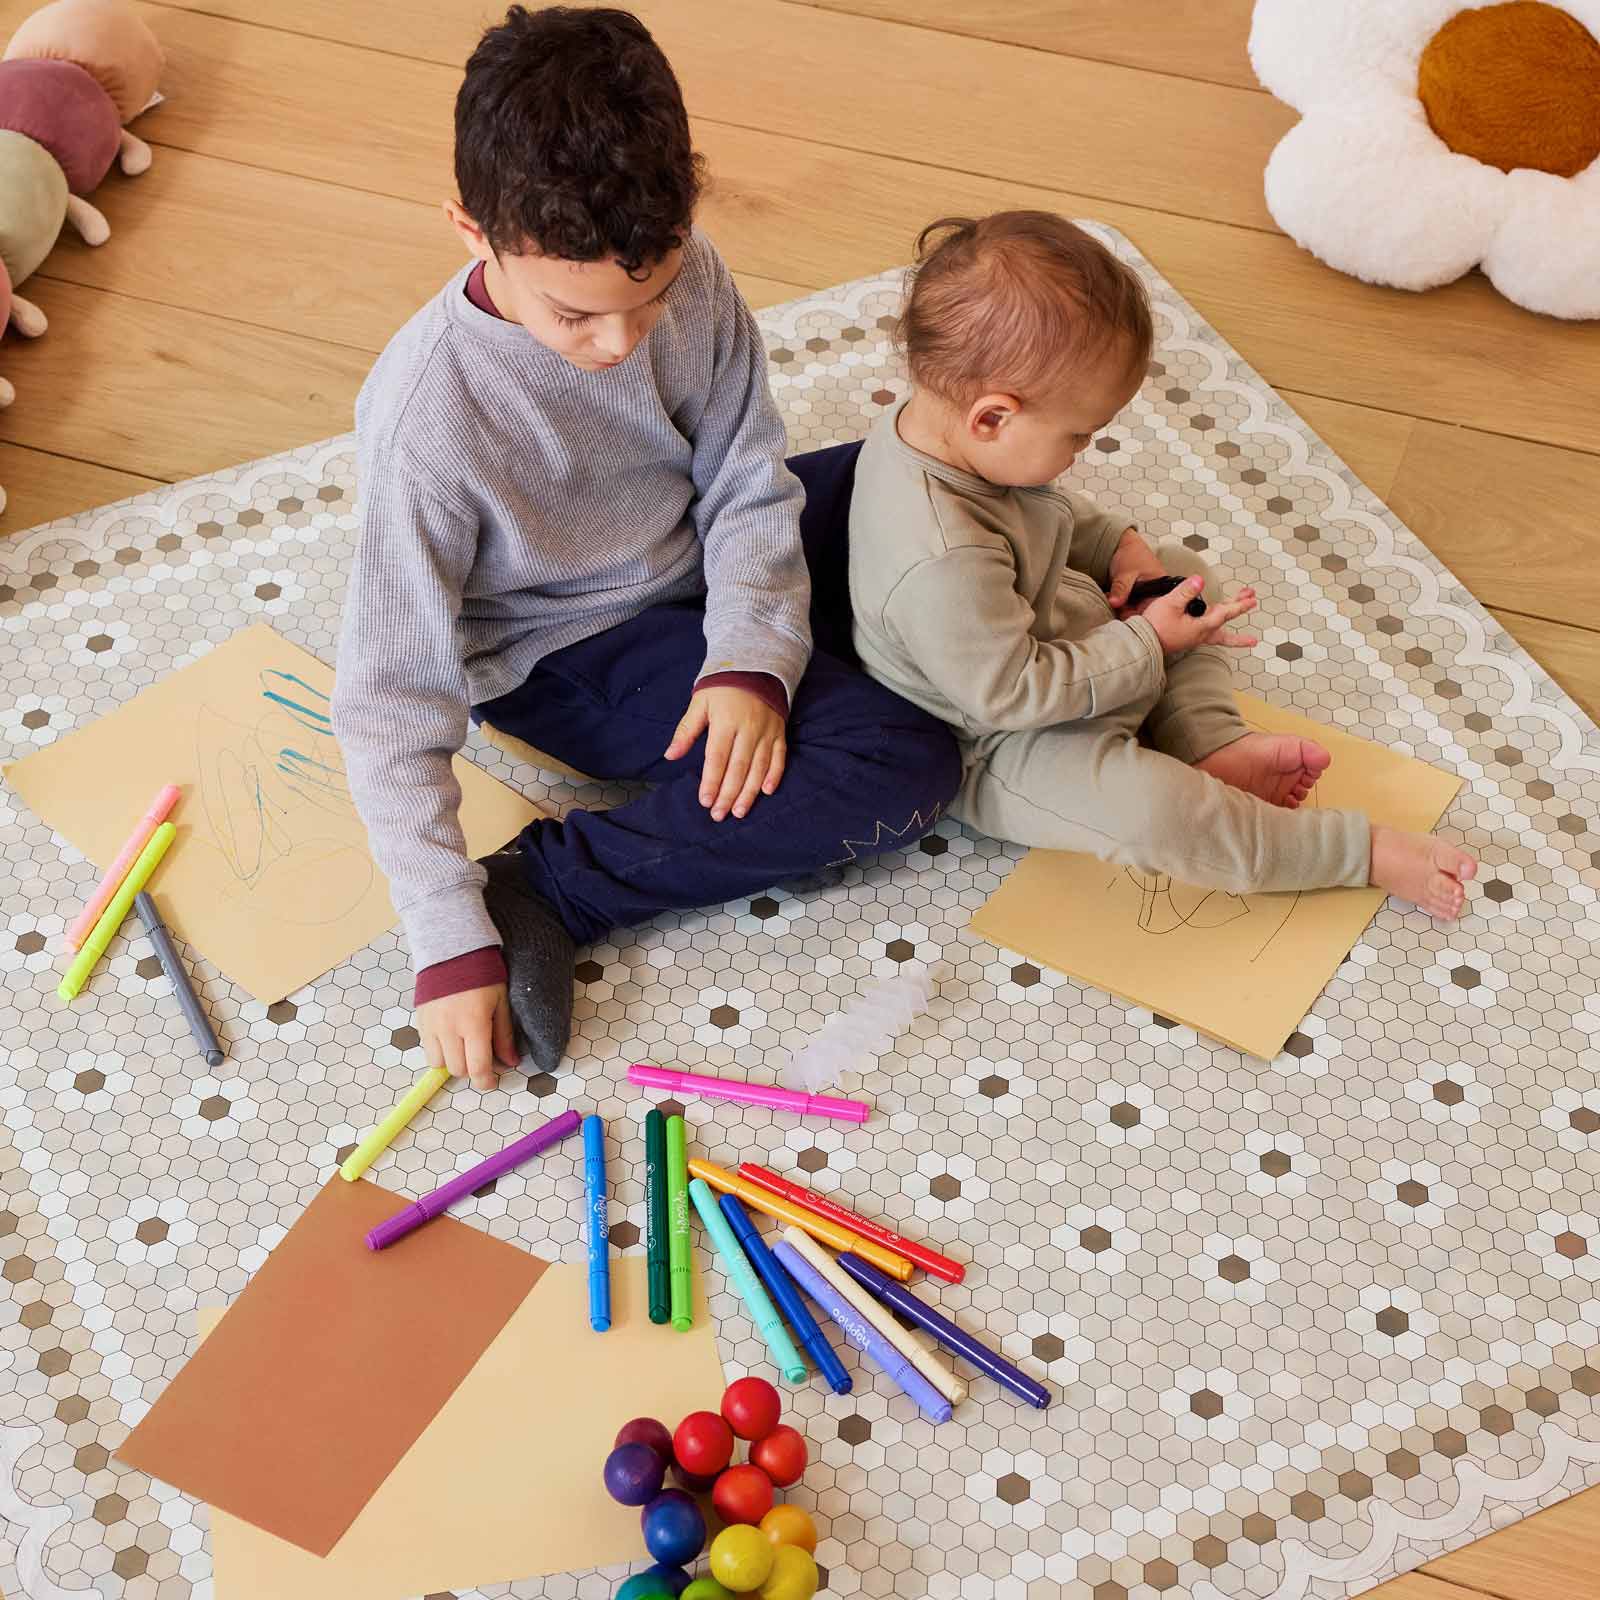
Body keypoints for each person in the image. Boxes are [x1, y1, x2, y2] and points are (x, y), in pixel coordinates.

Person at [333, 7, 959, 1090]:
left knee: (920, 463)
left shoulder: (691, 272)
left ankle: (1062, 577)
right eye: (575, 316)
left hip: (693, 554)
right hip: (569, 648)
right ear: (472, 232)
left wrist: (751, 655)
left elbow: (745, 476)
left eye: (650, 295)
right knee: (903, 760)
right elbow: (389, 700)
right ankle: (551, 885)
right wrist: (448, 935)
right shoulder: (425, 426)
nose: (620, 341)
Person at [848, 211, 1476, 921]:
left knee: (1179, 572)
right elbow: (1010, 694)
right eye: (1079, 434)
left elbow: (1035, 506)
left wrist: (1120, 549)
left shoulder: (951, 434)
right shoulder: (940, 556)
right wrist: (1149, 643)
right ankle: (1353, 852)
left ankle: (1208, 740)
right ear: (993, 417)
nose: (1084, 451)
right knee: (1153, 813)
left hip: (1058, 634)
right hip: (1002, 739)